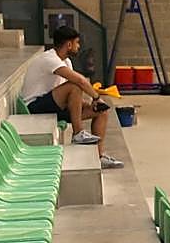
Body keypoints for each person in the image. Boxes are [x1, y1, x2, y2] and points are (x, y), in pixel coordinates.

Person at [19, 26, 122, 168]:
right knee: (75, 85)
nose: (79, 46)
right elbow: (79, 82)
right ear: (69, 44)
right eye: (77, 43)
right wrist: (96, 97)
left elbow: (72, 96)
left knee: (101, 111)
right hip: (34, 106)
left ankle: (99, 156)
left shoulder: (66, 61)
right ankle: (78, 133)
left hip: (53, 105)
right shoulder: (50, 58)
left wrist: (90, 104)